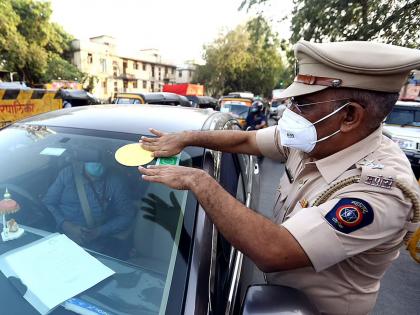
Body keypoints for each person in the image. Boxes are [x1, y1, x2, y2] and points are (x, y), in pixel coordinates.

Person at [138, 40, 420, 314]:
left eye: (302, 104)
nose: (289, 113)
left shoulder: (382, 189)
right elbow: (247, 141)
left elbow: (274, 251)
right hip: (277, 297)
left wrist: (199, 181)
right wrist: (186, 138)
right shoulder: (317, 138)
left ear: (349, 116)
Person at [43, 153, 135, 258]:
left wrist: (98, 232)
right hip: (60, 239)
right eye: (93, 158)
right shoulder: (67, 174)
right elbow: (48, 203)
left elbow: (127, 216)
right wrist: (65, 225)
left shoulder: (115, 180)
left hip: (97, 246)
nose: (97, 163)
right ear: (83, 160)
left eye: (100, 158)